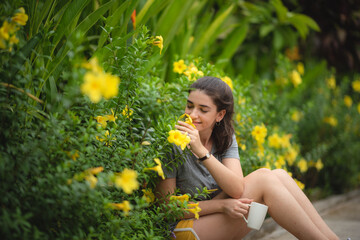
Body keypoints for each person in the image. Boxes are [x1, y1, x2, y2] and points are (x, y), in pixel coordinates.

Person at [156, 76, 339, 240]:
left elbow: (236, 189)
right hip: (180, 231)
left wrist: (203, 153)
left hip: (210, 220)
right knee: (265, 178)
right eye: (189, 105)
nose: (192, 114)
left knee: (279, 175)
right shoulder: (173, 143)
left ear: (220, 115)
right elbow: (167, 210)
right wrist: (221, 206)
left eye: (203, 110)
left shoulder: (224, 138)